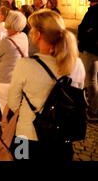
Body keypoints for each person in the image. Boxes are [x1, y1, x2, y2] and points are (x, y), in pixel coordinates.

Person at [8, 10, 85, 160]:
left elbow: (12, 103)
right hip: (61, 137)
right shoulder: (77, 64)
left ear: (37, 35)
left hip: (26, 135)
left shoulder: (25, 65)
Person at [0, 11, 28, 114]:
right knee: (16, 111)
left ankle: (7, 129)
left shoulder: (6, 42)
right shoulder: (24, 36)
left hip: (5, 80)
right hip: (20, 79)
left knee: (5, 112)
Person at [78, 0, 98, 122]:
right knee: (93, 79)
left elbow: (90, 29)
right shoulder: (92, 11)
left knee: (91, 80)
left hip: (92, 49)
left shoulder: (95, 12)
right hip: (90, 47)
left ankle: (94, 110)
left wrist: (85, 36)